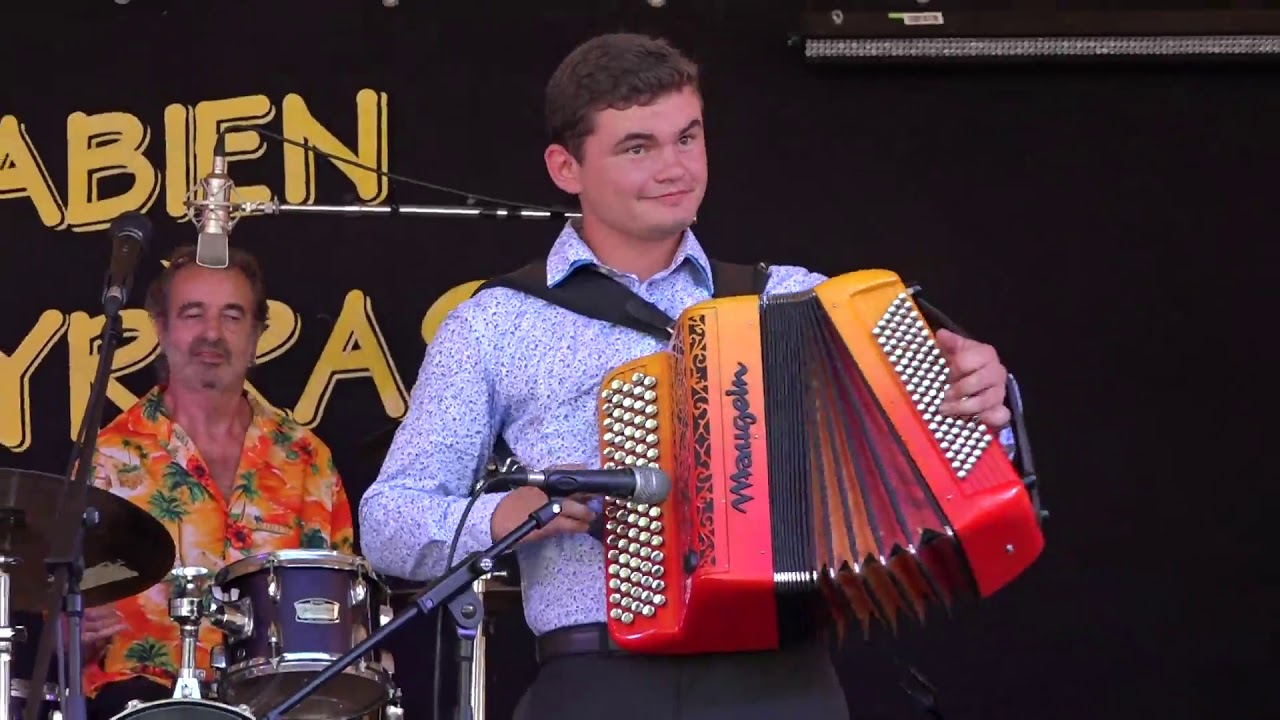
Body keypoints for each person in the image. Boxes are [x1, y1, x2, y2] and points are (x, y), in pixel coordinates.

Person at [359, 32, 1015, 720]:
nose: (674, 167)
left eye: (688, 138)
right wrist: (505, 516)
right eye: (638, 147)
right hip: (599, 676)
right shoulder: (493, 324)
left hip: (780, 676)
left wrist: (981, 398)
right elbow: (388, 521)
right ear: (565, 167)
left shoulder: (793, 298)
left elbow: (942, 455)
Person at [80, 245, 356, 720]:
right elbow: (54, 614)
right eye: (193, 314)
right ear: (161, 330)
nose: (212, 333)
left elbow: (344, 614)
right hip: (140, 707)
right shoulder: (104, 458)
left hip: (279, 706)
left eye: (232, 316)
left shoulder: (309, 461)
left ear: (255, 336)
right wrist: (73, 630)